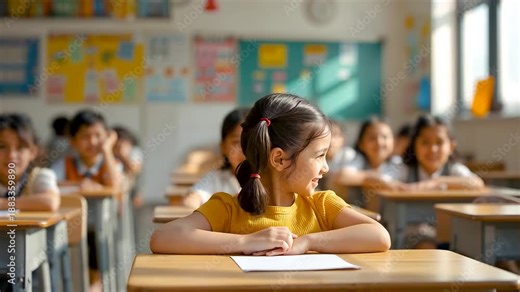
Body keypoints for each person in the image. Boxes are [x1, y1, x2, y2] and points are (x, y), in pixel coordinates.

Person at [150, 93, 390, 255]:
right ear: (279, 159)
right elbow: (163, 237)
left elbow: (379, 236)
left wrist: (308, 241)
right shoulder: (228, 208)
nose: (325, 167)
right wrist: (245, 242)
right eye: (319, 156)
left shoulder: (322, 205)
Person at [400, 115, 484, 249]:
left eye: (439, 142)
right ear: (414, 145)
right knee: (426, 247)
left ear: (451, 146)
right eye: (425, 142)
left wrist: (436, 183)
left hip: (452, 235)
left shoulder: (454, 169)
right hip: (417, 234)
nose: (432, 149)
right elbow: (385, 181)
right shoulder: (405, 170)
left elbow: (476, 183)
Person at [183, 108, 249, 208]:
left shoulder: (271, 179)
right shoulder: (215, 179)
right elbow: (192, 199)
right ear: (223, 147)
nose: (244, 150)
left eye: (250, 142)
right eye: (236, 142)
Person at [331, 117, 404, 207]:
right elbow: (341, 177)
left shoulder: (398, 163)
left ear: (393, 141)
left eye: (385, 137)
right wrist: (376, 178)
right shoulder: (358, 159)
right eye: (372, 138)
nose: (379, 142)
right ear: (361, 144)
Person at [0, 113, 60, 211]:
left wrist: (3, 204)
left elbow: (50, 202)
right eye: (2, 146)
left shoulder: (39, 176)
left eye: (20, 147)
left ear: (33, 152)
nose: (11, 155)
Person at [52, 109, 122, 192]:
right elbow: (48, 184)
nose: (92, 142)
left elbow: (114, 184)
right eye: (85, 137)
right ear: (73, 141)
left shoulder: (114, 164)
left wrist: (107, 150)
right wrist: (78, 184)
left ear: (106, 137)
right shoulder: (64, 165)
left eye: (98, 135)